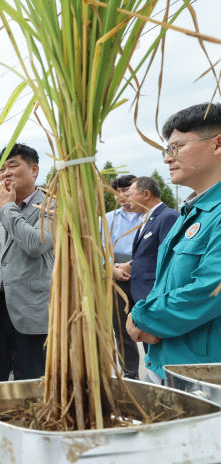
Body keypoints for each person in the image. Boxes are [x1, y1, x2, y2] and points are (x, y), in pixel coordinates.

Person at [127, 103, 221, 383]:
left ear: (218, 143)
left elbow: (212, 289)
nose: (168, 159)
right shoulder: (191, 213)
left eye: (176, 147)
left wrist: (143, 318)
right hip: (170, 362)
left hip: (204, 374)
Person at [0, 143, 53, 383]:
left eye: (13, 166)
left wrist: (8, 207)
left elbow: (35, 245)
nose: (5, 173)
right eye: (1, 169)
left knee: (34, 383)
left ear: (34, 170)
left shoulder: (52, 205)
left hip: (33, 312)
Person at [114, 176, 179, 349]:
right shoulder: (147, 219)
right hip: (142, 295)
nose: (127, 198)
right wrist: (131, 265)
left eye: (131, 193)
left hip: (154, 294)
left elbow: (169, 258)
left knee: (160, 348)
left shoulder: (167, 217)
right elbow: (148, 255)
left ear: (146, 194)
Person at [103, 174, 142, 378]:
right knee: (122, 329)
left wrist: (134, 267)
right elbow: (100, 249)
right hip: (117, 279)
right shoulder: (108, 218)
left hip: (146, 278)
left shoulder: (150, 216)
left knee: (150, 326)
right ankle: (129, 375)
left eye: (126, 190)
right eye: (117, 192)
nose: (122, 195)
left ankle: (155, 372)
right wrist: (111, 269)